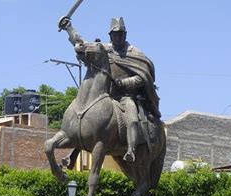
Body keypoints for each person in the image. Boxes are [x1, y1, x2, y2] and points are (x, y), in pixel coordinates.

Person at [61, 17, 160, 162]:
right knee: (87, 119)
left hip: (126, 97)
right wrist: (69, 28)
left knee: (132, 119)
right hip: (106, 95)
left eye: (120, 34)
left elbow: (144, 77)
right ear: (110, 36)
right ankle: (73, 153)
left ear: (125, 35)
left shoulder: (135, 53)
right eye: (114, 35)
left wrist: (125, 82)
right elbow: (81, 44)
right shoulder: (104, 49)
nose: (117, 37)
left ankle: (131, 150)